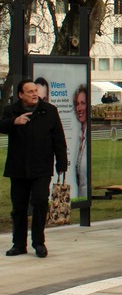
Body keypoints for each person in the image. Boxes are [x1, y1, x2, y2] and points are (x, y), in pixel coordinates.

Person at [0, 80, 68, 258]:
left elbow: (59, 139)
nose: (34, 94)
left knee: (39, 202)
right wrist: (14, 122)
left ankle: (39, 242)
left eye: (35, 90)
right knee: (19, 207)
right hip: (18, 168)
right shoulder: (11, 111)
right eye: (29, 91)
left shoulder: (49, 110)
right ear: (21, 95)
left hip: (41, 167)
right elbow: (1, 125)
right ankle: (19, 244)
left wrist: (61, 164)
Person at [71, 84, 88, 198]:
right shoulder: (78, 136)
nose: (79, 108)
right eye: (77, 104)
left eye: (83, 103)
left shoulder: (89, 134)